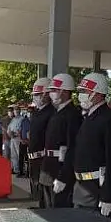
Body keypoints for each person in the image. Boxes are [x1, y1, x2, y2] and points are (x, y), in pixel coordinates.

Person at [72, 73, 111, 217]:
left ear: (98, 93)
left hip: (96, 190)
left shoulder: (110, 120)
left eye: (85, 91)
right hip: (82, 186)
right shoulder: (90, 117)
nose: (81, 95)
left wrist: (109, 195)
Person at [40, 73, 83, 208]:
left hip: (59, 169)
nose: (51, 93)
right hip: (49, 167)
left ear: (64, 91)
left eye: (54, 90)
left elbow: (72, 148)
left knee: (59, 210)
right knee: (47, 208)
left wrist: (64, 176)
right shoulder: (57, 112)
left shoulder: (72, 115)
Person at [27, 78, 55, 206]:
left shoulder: (51, 113)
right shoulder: (37, 112)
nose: (35, 97)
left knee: (45, 195)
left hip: (43, 159)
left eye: (38, 94)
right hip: (34, 159)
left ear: (47, 94)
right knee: (36, 192)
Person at [7, 105, 23, 174]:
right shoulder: (13, 119)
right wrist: (9, 133)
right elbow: (9, 129)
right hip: (12, 139)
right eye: (15, 110)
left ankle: (20, 169)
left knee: (19, 154)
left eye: (17, 109)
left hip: (18, 138)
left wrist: (15, 134)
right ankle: (15, 168)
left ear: (20, 110)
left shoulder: (22, 119)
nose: (16, 111)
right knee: (13, 155)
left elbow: (22, 129)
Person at [17, 104, 30, 177]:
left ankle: (28, 172)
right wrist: (21, 139)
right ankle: (21, 171)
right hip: (22, 141)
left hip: (29, 142)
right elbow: (19, 130)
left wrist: (28, 141)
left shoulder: (34, 120)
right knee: (21, 158)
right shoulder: (23, 120)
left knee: (28, 158)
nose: (28, 113)